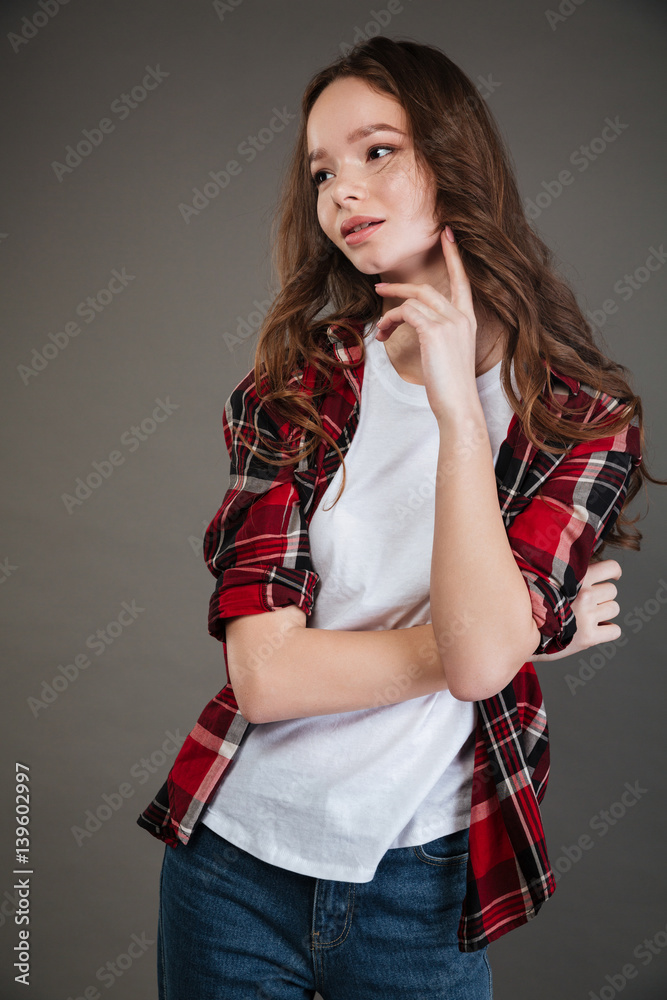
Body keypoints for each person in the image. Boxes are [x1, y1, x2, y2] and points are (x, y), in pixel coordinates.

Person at [137, 37, 661, 1000]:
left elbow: (478, 660)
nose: (341, 189)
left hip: (422, 890)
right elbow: (265, 678)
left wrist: (459, 414)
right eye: (321, 171)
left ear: (454, 159)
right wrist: (516, 638)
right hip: (232, 870)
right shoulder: (295, 387)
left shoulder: (580, 421)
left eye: (377, 150)